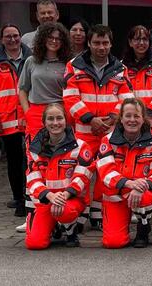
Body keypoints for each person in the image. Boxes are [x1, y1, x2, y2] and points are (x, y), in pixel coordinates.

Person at [63, 24, 134, 229]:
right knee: (82, 172)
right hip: (84, 131)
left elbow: (127, 98)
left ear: (111, 44)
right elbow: (70, 97)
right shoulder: (74, 66)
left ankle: (98, 215)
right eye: (96, 43)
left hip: (109, 132)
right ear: (89, 43)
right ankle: (80, 214)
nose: (101, 47)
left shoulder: (121, 69)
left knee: (105, 173)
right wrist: (89, 119)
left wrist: (112, 118)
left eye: (105, 43)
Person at [97, 98, 152, 248]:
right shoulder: (107, 141)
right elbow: (105, 172)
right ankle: (123, 225)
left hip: (142, 194)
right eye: (128, 116)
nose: (132, 120)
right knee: (113, 242)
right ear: (121, 118)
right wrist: (130, 184)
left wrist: (141, 187)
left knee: (145, 197)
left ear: (143, 119)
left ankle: (143, 227)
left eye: (136, 116)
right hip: (115, 195)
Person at [121, 24, 152, 229]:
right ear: (130, 42)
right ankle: (138, 208)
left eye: (144, 39)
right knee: (134, 168)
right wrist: (135, 117)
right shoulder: (122, 65)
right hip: (132, 126)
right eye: (137, 39)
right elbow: (123, 92)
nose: (141, 43)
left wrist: (147, 113)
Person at [0, 23, 32, 217]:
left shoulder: (32, 60)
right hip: (6, 121)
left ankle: (30, 197)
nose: (13, 39)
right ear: (2, 40)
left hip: (29, 120)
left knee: (31, 161)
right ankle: (18, 198)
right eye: (8, 36)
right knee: (14, 162)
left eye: (16, 35)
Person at [25, 103, 94, 250]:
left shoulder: (81, 146)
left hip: (71, 201)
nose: (55, 123)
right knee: (35, 244)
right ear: (44, 123)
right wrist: (50, 196)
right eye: (50, 119)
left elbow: (82, 177)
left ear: (66, 121)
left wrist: (63, 196)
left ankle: (71, 232)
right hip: (47, 201)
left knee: (64, 211)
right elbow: (32, 178)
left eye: (59, 118)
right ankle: (50, 224)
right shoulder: (34, 149)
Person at [18, 22, 72, 140]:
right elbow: (22, 90)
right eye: (51, 37)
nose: (54, 41)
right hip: (36, 113)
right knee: (35, 151)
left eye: (58, 38)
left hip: (60, 113)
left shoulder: (68, 64)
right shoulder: (31, 61)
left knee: (60, 150)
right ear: (43, 39)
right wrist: (28, 113)